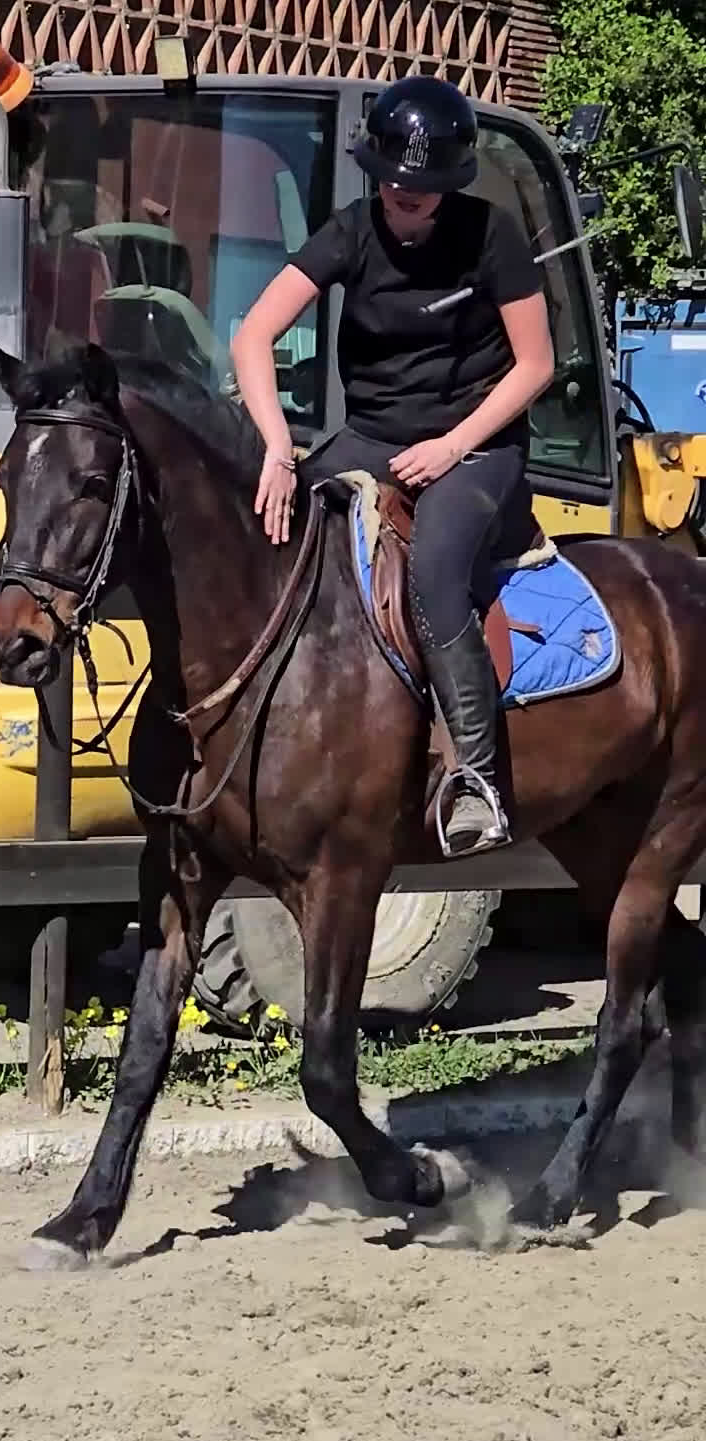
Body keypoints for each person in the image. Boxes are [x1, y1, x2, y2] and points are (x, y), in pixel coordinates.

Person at [230, 75, 556, 857]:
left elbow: (535, 365)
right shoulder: (348, 232)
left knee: (435, 575)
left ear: (450, 184)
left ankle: (477, 779)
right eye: (395, 186)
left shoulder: (492, 235)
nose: (406, 200)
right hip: (371, 435)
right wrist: (279, 447)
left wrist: (451, 447)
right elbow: (253, 338)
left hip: (477, 445)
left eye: (422, 190)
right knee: (271, 536)